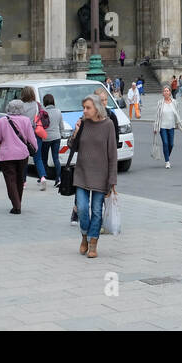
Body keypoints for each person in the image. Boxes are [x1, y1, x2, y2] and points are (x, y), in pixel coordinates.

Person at [70, 94, 118, 258]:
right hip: (82, 173)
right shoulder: (82, 123)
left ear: (97, 108)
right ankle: (84, 235)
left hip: (101, 176)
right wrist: (75, 132)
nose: (84, 110)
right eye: (83, 107)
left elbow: (112, 154)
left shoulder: (108, 125)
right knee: (82, 208)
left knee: (96, 211)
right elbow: (72, 146)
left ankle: (93, 243)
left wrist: (112, 181)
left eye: (87, 108)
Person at [0, 93, 37, 215]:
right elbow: (31, 137)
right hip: (22, 154)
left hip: (7, 155)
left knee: (10, 180)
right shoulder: (26, 120)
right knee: (19, 180)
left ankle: (16, 205)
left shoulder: (2, 120)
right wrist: (35, 148)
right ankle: (18, 203)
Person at [156, 85, 182, 168]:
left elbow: (177, 114)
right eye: (164, 91)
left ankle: (166, 155)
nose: (166, 92)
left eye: (167, 91)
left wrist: (180, 125)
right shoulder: (160, 103)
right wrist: (155, 127)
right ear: (162, 93)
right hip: (162, 126)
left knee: (171, 144)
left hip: (171, 126)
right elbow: (157, 116)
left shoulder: (174, 102)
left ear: (170, 92)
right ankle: (167, 161)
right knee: (165, 143)